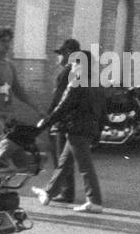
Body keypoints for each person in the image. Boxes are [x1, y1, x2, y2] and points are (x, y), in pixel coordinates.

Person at [32, 48, 104, 213]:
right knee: (64, 163)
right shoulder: (95, 82)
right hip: (88, 129)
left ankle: (94, 201)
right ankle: (49, 193)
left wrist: (45, 123)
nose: (71, 68)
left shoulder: (76, 83)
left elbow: (62, 107)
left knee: (85, 166)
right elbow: (102, 110)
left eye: (73, 65)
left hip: (76, 129)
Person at [39, 37, 80, 205]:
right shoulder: (79, 70)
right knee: (65, 158)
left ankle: (65, 191)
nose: (58, 58)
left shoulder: (66, 72)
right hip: (72, 119)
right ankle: (66, 190)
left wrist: (48, 117)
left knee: (60, 157)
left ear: (68, 53)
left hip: (62, 120)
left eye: (61, 54)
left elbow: (58, 99)